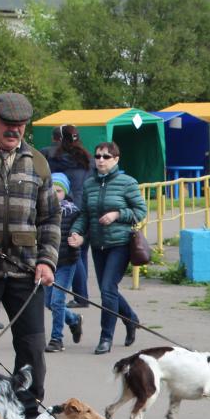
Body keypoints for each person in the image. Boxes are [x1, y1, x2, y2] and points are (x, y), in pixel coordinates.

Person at [0, 92, 59, 419]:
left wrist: (47, 260)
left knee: (32, 350)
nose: (15, 130)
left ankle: (27, 415)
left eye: (21, 124)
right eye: (8, 123)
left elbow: (50, 217)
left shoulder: (37, 162)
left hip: (26, 273)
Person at [68, 142, 147, 355]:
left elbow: (140, 211)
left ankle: (106, 337)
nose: (101, 160)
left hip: (120, 244)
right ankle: (130, 319)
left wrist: (117, 214)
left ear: (116, 159)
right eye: (98, 156)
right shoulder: (89, 184)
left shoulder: (127, 182)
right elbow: (85, 215)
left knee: (107, 289)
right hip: (98, 244)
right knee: (108, 290)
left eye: (106, 156)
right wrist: (76, 232)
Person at [48, 124, 94, 307]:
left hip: (66, 210)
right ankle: (82, 296)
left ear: (57, 139)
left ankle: (78, 296)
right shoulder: (88, 158)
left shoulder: (54, 158)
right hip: (86, 208)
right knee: (81, 253)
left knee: (72, 253)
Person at [44, 173, 83, 353]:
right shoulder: (42, 209)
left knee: (57, 301)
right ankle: (74, 319)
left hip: (66, 262)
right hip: (48, 262)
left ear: (65, 192)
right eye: (51, 190)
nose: (55, 194)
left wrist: (78, 238)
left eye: (58, 191)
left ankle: (56, 339)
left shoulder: (73, 211)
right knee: (48, 302)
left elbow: (82, 230)